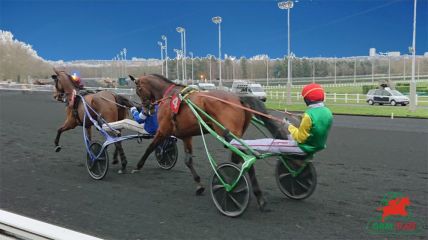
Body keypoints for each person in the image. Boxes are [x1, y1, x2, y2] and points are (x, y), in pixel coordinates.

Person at [230, 83, 333, 155]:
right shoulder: (327, 112)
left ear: (308, 99)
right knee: (284, 137)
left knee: (269, 143)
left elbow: (300, 138)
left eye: (304, 98)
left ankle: (234, 143)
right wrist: (294, 117)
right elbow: (314, 125)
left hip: (303, 147)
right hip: (317, 145)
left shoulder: (308, 116)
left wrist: (288, 126)